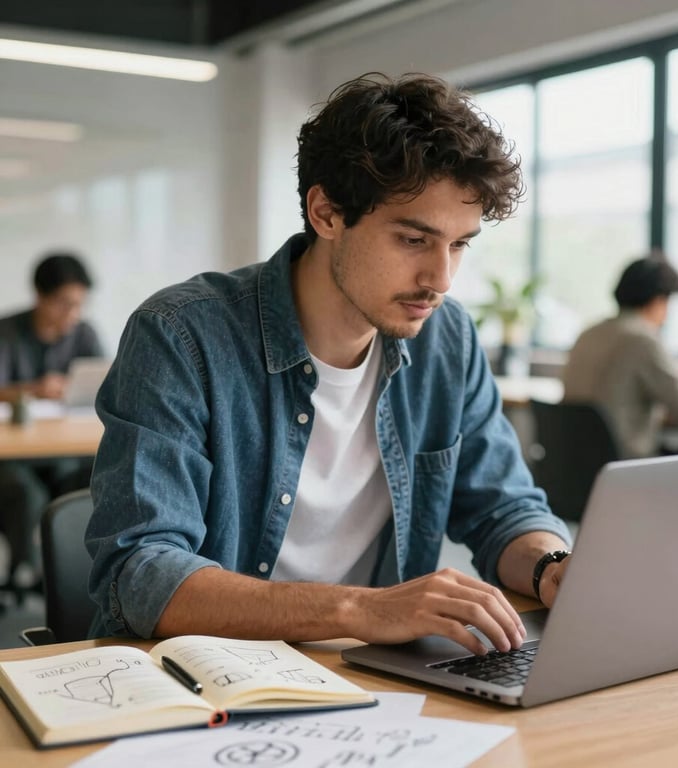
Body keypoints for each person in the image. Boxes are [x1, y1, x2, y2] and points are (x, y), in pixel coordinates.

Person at [86, 72, 572, 656]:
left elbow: (502, 507)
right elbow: (141, 573)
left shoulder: (448, 339)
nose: (440, 279)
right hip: (208, 677)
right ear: (327, 213)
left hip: (372, 677)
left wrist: (552, 567)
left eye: (460, 244)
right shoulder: (181, 335)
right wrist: (359, 609)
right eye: (414, 240)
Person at [561, 252, 678, 459]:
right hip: (625, 467)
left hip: (576, 464)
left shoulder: (588, 333)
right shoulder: (642, 340)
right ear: (658, 301)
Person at [0, 251, 103, 588]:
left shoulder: (84, 333)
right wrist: (33, 390)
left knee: (97, 477)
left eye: (78, 305)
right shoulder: (7, 332)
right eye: (63, 303)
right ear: (40, 297)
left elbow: (103, 382)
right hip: (15, 455)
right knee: (24, 492)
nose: (72, 314)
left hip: (66, 450)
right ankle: (24, 574)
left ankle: (84, 573)